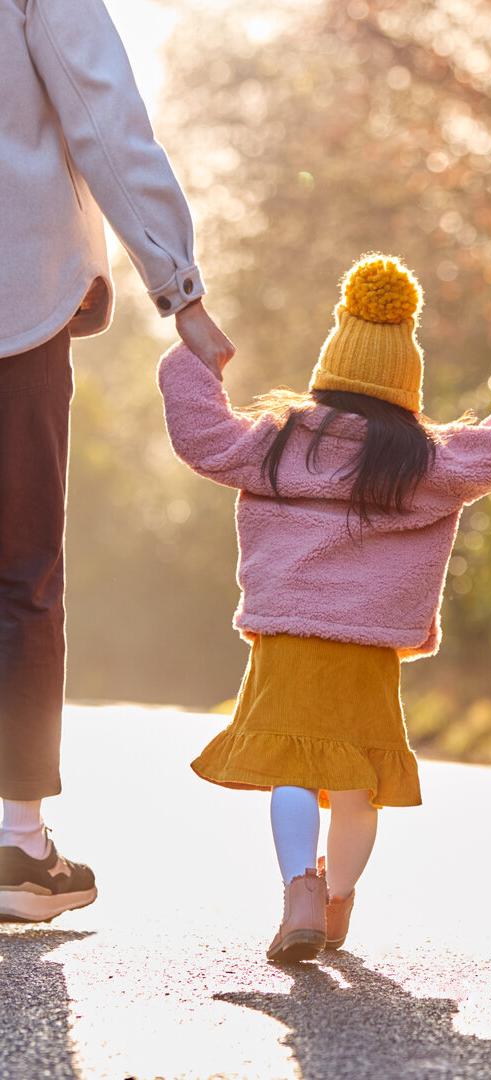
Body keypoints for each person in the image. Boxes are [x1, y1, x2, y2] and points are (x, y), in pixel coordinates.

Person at [158, 254, 491, 962]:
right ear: (406, 382)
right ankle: (336, 904)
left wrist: (193, 362)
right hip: (368, 650)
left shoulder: (276, 443)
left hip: (288, 640)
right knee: (358, 785)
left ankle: (298, 887)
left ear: (329, 370)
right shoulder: (427, 462)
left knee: (291, 770)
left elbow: (201, 437)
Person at [0, 0, 234, 922]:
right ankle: (17, 846)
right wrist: (179, 287)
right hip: (13, 309)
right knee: (19, 572)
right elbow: (102, 111)